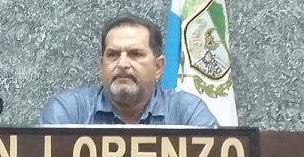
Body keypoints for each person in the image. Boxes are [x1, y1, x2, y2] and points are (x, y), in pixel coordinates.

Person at [39, 15, 219, 127]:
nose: (122, 64)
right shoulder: (69, 111)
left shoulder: (187, 112)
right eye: (113, 55)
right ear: (102, 64)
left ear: (158, 67)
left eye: (135, 54)